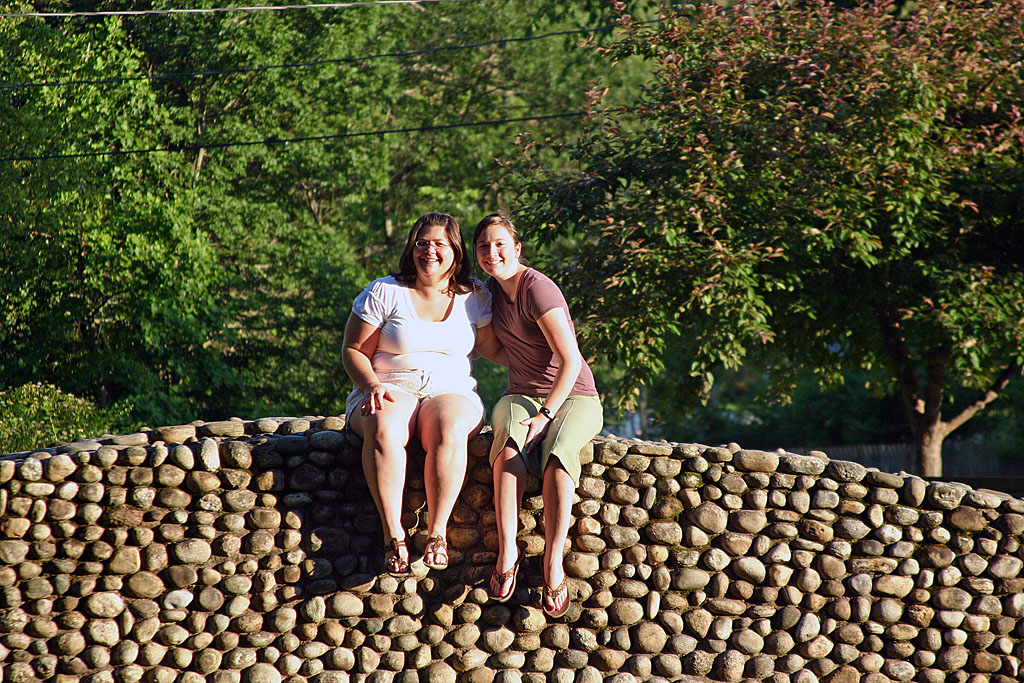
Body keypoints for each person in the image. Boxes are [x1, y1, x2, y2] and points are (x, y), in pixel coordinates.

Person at [342, 212, 502, 576]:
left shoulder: (474, 296)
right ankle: (393, 535)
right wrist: (371, 385)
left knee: (449, 428)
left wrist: (547, 360)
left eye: (439, 244)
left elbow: (495, 349)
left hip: (450, 388)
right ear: (411, 248)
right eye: (422, 243)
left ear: (456, 253)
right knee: (386, 429)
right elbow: (352, 350)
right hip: (387, 384)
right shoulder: (384, 291)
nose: (429, 251)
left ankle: (437, 533)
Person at [474, 212, 603, 618]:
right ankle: (507, 551)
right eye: (483, 246)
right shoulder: (490, 293)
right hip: (521, 393)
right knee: (508, 439)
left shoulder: (538, 289)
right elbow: (497, 352)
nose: (491, 253)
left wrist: (546, 415)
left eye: (499, 245)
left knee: (559, 456)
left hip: (575, 395)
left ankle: (552, 562)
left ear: (517, 249)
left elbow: (570, 360)